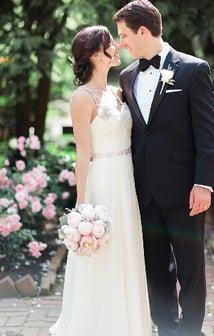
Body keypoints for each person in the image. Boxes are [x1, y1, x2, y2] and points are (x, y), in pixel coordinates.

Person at [115, 0, 214, 336]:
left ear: (143, 31)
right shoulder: (128, 77)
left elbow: (208, 133)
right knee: (155, 266)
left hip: (184, 191)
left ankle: (191, 330)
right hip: (143, 191)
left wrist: (203, 183)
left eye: (125, 35)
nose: (122, 43)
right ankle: (166, 327)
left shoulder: (193, 69)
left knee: (191, 267)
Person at [49, 25, 152, 336]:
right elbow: (83, 154)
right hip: (103, 180)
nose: (117, 48)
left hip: (126, 179)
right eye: (111, 44)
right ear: (96, 54)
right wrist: (82, 203)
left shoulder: (118, 91)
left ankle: (129, 324)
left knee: (126, 248)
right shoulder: (82, 98)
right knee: (102, 254)